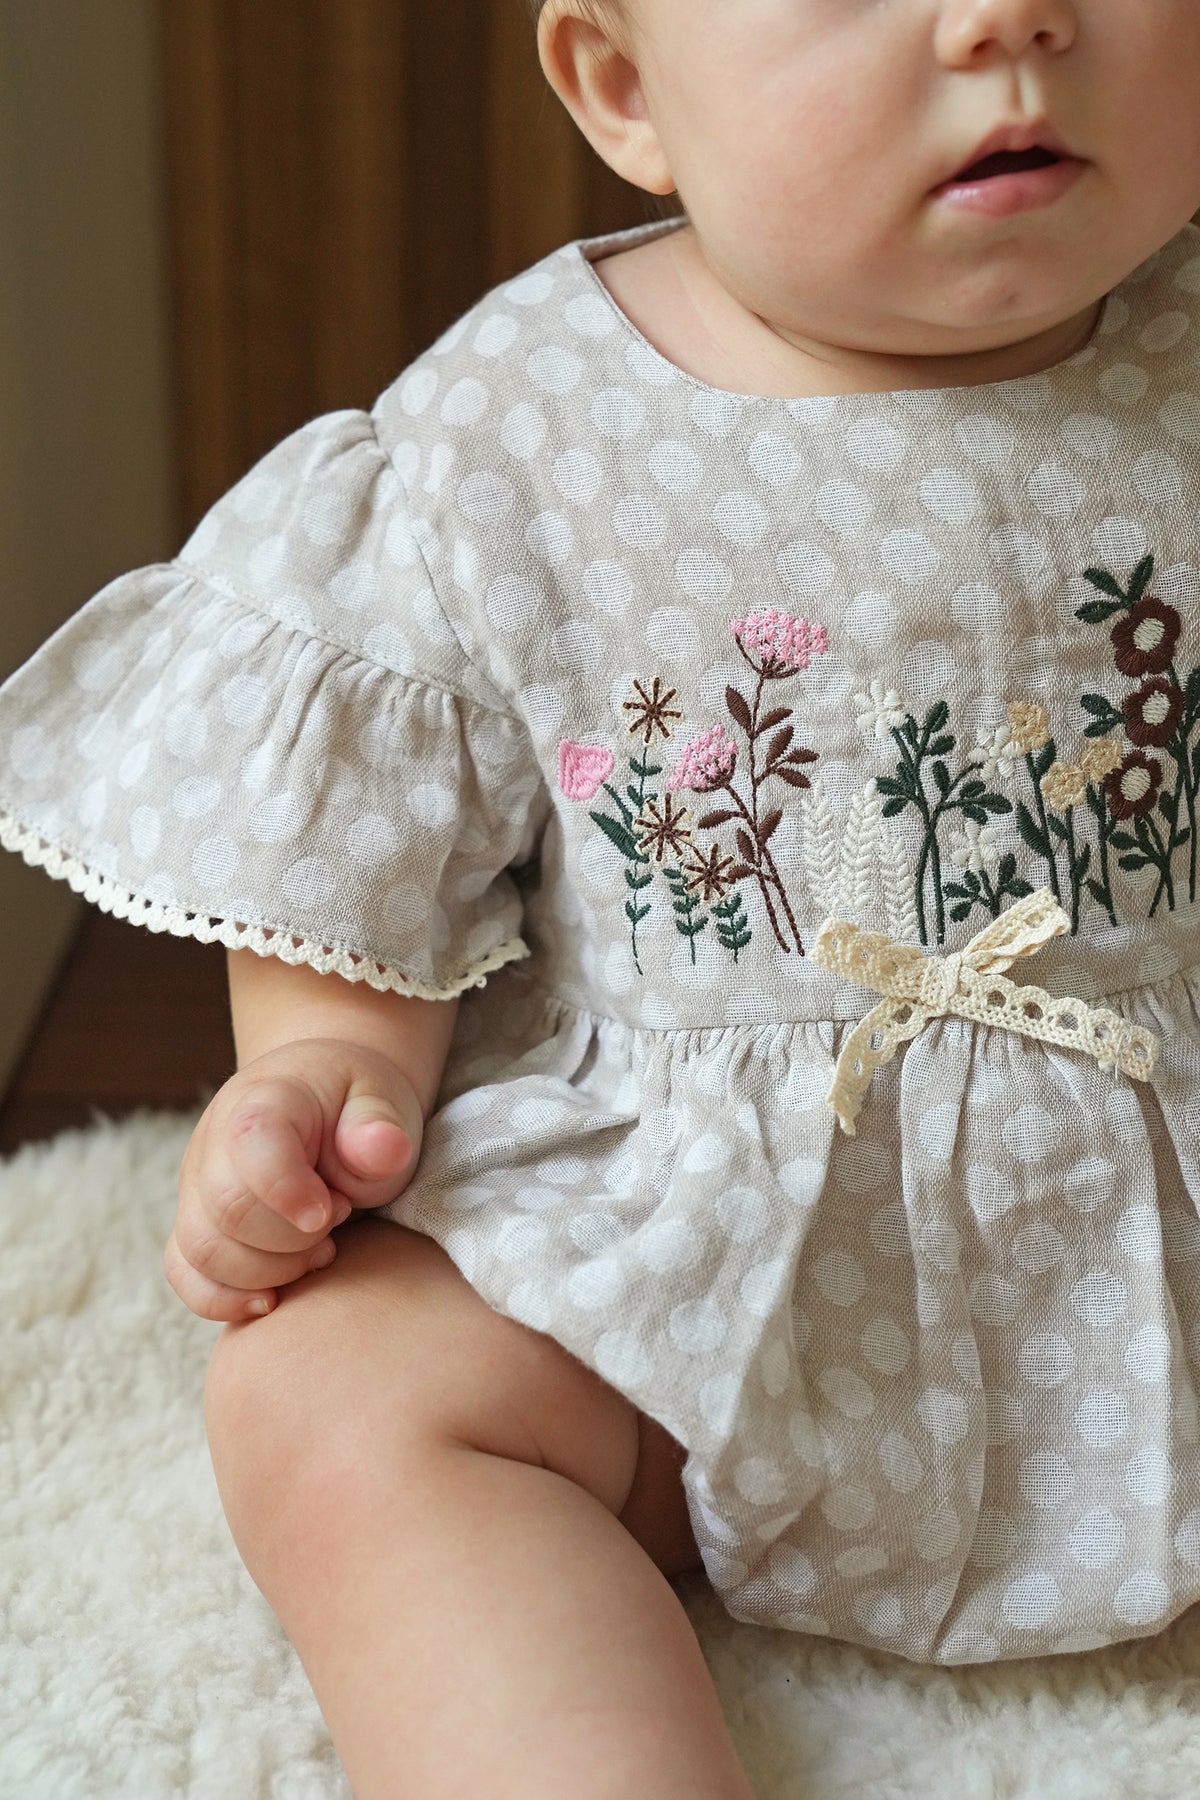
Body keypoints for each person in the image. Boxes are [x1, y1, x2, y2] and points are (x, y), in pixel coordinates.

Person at [3, 0, 1200, 1792]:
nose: (1007, 19)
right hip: (696, 1278)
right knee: (331, 1401)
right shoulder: (505, 442)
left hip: (1156, 1223)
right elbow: (366, 852)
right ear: (627, 89)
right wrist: (335, 1071)